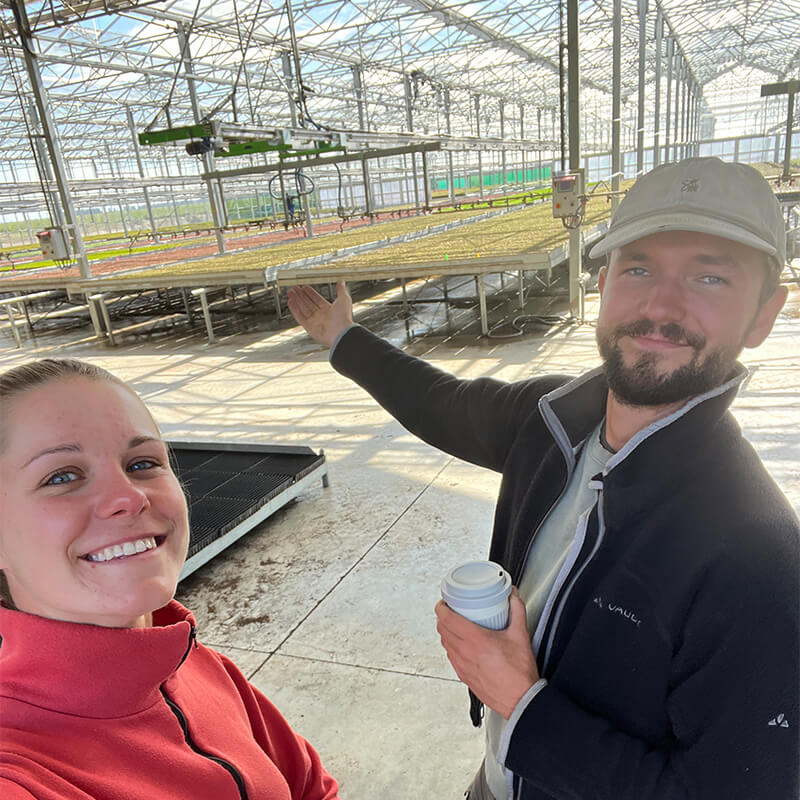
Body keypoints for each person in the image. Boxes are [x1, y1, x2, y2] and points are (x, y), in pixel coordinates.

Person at [287, 157, 800, 799]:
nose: (661, 304)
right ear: (605, 284)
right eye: (638, 268)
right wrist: (347, 342)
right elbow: (444, 404)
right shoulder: (550, 422)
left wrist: (521, 702)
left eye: (710, 276)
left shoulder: (760, 560)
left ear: (763, 316)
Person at [0, 359, 340, 800]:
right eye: (62, 476)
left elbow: (311, 786)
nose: (129, 496)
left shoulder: (196, 663)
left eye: (142, 463)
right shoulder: (22, 775)